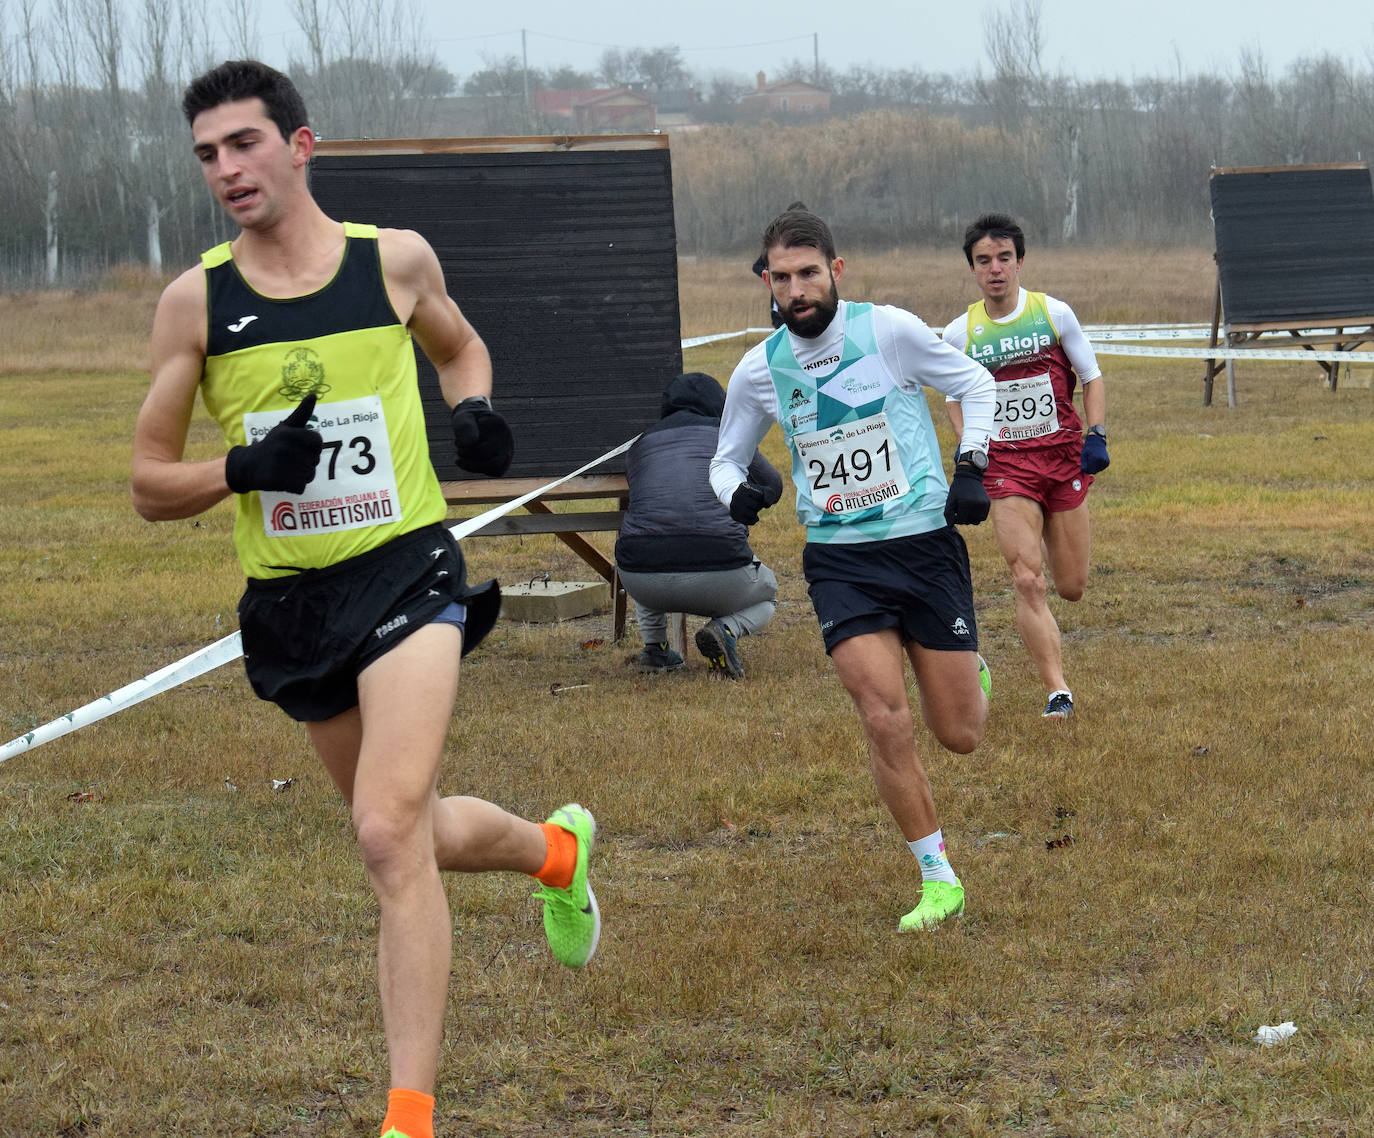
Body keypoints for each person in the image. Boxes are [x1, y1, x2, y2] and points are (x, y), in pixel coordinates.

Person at [130, 60, 599, 1138]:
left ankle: (408, 1116)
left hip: (406, 569)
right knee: (409, 830)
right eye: (207, 154)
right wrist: (240, 473)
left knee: (387, 835)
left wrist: (473, 407)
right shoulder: (195, 302)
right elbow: (150, 482)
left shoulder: (392, 262)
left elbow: (460, 345)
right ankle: (555, 852)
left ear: (301, 145)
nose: (226, 169)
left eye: (244, 143)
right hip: (295, 602)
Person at [710, 207, 997, 932]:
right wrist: (734, 494)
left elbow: (976, 384)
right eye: (782, 278)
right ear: (767, 283)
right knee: (882, 716)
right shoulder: (759, 368)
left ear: (835, 271)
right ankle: (938, 877)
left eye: (809, 273)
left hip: (924, 546)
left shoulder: (890, 331)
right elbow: (723, 458)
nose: (797, 289)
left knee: (959, 733)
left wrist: (972, 465)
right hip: (840, 561)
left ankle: (968, 669)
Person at [941, 212, 1109, 720]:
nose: (995, 269)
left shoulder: (1053, 314)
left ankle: (1059, 573)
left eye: (1004, 259)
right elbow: (953, 398)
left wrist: (1096, 434)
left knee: (1071, 586)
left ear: (1019, 261)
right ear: (972, 269)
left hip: (1062, 460)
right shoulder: (959, 334)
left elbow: (1092, 376)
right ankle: (1058, 690)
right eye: (983, 261)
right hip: (1006, 469)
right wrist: (974, 450)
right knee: (1026, 579)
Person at [615, 371, 783, 678]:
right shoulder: (729, 437)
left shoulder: (639, 445)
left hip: (639, 577)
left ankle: (655, 649)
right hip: (720, 570)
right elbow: (773, 485)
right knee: (768, 593)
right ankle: (726, 629)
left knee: (649, 544)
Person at [752, 200, 808, 329]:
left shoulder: (815, 244)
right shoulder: (778, 244)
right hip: (781, 305)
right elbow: (757, 266)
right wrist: (776, 276)